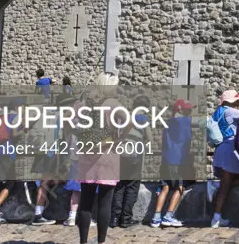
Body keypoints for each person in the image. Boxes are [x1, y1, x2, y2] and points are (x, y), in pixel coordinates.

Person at [76, 72, 121, 244]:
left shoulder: (83, 103)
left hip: (87, 155)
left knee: (85, 202)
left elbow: (71, 122)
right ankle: (101, 241)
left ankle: (83, 242)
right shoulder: (113, 104)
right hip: (107, 154)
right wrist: (118, 138)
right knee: (104, 203)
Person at [151, 98, 194, 228]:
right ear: (181, 109)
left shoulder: (168, 122)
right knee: (179, 188)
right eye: (188, 109)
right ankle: (168, 216)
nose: (190, 111)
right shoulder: (185, 121)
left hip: (166, 160)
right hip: (178, 161)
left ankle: (156, 217)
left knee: (165, 187)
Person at [111, 96, 151, 228]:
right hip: (135, 157)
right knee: (132, 187)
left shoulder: (125, 115)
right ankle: (125, 219)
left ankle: (114, 218)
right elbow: (149, 138)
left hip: (121, 155)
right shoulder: (143, 119)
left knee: (120, 185)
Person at [211, 90, 239, 228]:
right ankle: (215, 186)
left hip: (220, 149)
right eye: (237, 102)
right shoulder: (231, 111)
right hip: (230, 149)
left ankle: (216, 218)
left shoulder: (217, 112)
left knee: (226, 184)